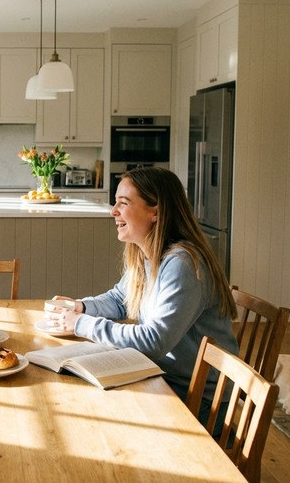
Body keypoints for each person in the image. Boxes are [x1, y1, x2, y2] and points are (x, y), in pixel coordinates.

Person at [45, 166, 238, 430]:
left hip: (198, 400)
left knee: (93, 420)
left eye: (123, 203)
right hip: (164, 376)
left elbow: (154, 341)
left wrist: (80, 323)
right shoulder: (147, 255)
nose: (113, 211)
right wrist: (80, 306)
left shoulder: (182, 264)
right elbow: (119, 299)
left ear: (155, 213)